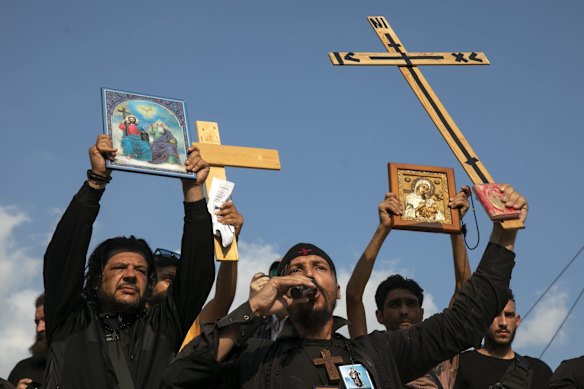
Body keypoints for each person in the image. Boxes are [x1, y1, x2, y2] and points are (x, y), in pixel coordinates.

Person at [162, 184, 528, 389]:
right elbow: (177, 379)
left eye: (319, 267)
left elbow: (463, 323)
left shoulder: (379, 351)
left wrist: (503, 239)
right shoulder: (254, 357)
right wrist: (254, 310)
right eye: (296, 268)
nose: (306, 274)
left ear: (337, 291)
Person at [42, 134, 215, 388]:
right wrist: (96, 182)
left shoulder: (162, 328)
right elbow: (62, 256)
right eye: (120, 267)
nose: (131, 275)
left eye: (141, 271)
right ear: (98, 278)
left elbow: (197, 272)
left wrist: (193, 189)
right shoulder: (70, 319)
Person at [346, 188, 471, 388]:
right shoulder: (371, 352)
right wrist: (384, 228)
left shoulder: (441, 348)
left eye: (411, 304)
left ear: (421, 313)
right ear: (379, 316)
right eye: (394, 304)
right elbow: (353, 296)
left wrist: (455, 226)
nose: (404, 311)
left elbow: (464, 291)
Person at [454, 293, 553, 388]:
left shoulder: (539, 371)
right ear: (483, 320)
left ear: (517, 320)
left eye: (509, 315)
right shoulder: (461, 365)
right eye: (495, 314)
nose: (503, 323)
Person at [8, 294, 47, 389]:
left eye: (45, 320)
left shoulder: (80, 365)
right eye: (37, 322)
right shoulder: (21, 369)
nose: (39, 329)